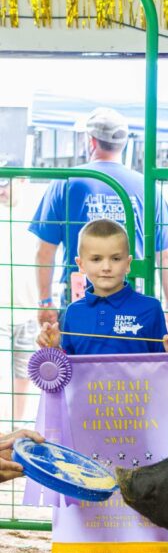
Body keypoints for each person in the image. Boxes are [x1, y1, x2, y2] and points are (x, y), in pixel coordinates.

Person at [37, 218, 168, 553]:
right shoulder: (72, 314)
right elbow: (64, 369)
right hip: (91, 429)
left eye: (114, 258)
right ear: (80, 263)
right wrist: (52, 347)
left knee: (155, 502)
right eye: (96, 259)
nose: (105, 267)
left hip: (142, 427)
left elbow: (164, 363)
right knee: (95, 500)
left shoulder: (149, 309)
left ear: (129, 261)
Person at [29, 107, 168, 329]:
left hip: (80, 299)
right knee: (130, 362)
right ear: (124, 143)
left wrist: (45, 302)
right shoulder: (147, 188)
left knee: (79, 361)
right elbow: (165, 257)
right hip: (133, 299)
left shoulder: (65, 182)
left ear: (91, 141)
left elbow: (44, 251)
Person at [0, 177, 39, 421]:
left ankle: (16, 428)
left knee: (25, 374)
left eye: (5, 183)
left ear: (22, 181)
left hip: (29, 309)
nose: (0, 190)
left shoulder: (34, 212)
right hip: (1, 310)